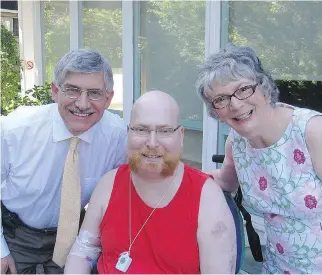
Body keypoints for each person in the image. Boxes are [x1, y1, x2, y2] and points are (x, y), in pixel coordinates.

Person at [64, 90, 237, 274]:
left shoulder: (207, 197)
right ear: (128, 133)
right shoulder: (109, 184)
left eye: (164, 131)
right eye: (141, 129)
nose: (152, 142)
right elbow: (82, 253)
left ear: (181, 135)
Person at [196, 44, 322, 274]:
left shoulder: (311, 131)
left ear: (264, 88)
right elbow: (226, 181)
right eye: (221, 99)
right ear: (216, 112)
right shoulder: (236, 142)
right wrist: (176, 178)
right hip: (276, 268)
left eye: (243, 89)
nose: (235, 104)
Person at [1, 49, 127, 274]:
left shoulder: (118, 136)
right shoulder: (14, 130)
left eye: (95, 93)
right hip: (15, 235)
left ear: (108, 99)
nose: (82, 103)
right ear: (55, 91)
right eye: (72, 90)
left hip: (75, 237)